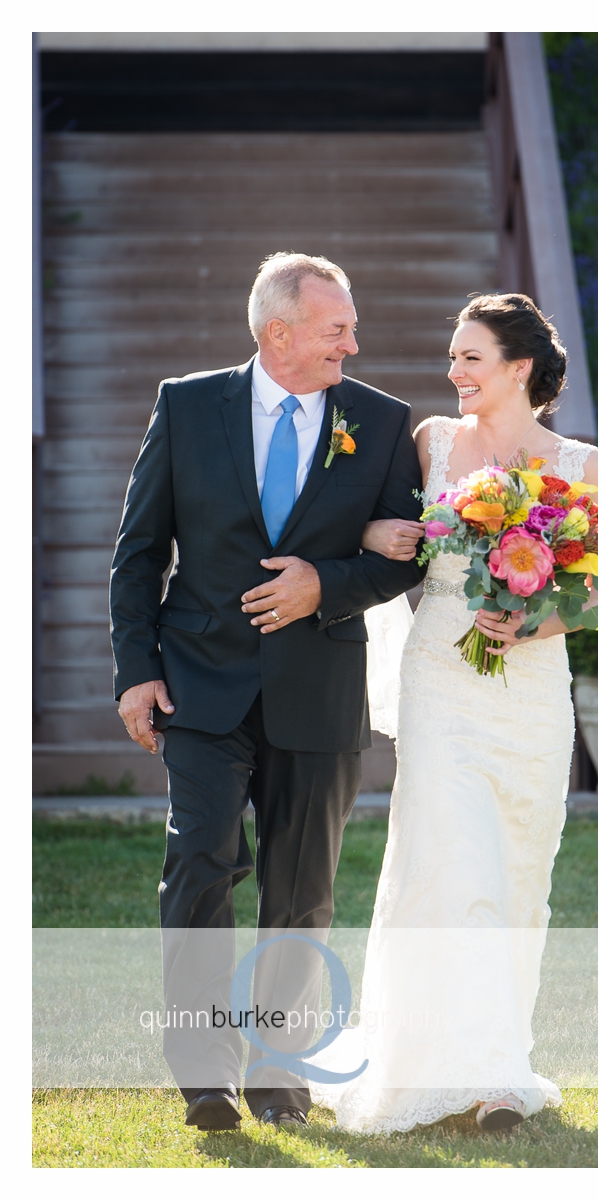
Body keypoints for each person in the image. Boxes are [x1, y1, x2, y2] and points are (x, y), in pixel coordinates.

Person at [110, 252, 428, 1132]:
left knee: (301, 888)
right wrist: (136, 671)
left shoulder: (382, 420)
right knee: (199, 865)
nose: (353, 345)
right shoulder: (186, 404)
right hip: (199, 686)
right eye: (337, 330)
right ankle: (205, 1074)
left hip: (319, 690)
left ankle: (280, 1079)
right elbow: (139, 553)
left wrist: (325, 583)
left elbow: (407, 552)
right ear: (276, 333)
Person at [308, 293, 598, 1134]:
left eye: (470, 358)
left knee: (519, 874)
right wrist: (379, 536)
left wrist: (534, 620)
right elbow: (382, 528)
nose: (453, 374)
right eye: (453, 357)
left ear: (519, 368)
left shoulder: (582, 465)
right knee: (453, 865)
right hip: (441, 680)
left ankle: (498, 1059)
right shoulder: (432, 443)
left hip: (530, 696)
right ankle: (475, 1078)